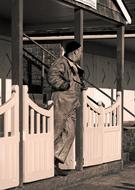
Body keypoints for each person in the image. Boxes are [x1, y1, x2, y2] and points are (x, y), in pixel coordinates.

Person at [47, 41, 84, 176]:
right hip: (62, 101)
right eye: (80, 51)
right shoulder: (62, 62)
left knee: (69, 133)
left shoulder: (74, 65)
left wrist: (80, 85)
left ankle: (55, 159)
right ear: (74, 51)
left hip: (72, 103)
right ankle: (50, 164)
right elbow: (52, 76)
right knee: (57, 132)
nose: (80, 54)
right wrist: (65, 85)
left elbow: (75, 81)